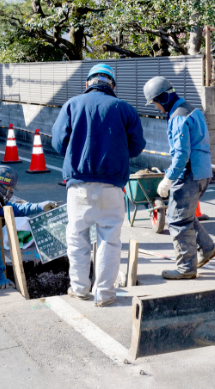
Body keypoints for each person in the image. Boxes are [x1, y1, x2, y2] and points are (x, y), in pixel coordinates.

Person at [52, 63, 145, 306]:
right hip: (112, 186)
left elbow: (58, 143)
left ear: (88, 84)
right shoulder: (124, 108)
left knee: (77, 236)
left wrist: (76, 152)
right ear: (112, 85)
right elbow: (136, 146)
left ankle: (80, 288)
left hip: (78, 185)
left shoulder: (72, 104)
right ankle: (104, 294)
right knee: (109, 239)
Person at [143, 76, 215, 280]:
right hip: (203, 172)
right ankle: (207, 248)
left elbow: (181, 154)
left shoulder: (178, 117)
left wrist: (168, 179)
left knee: (177, 221)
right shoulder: (192, 109)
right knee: (186, 216)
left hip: (189, 174)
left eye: (155, 102)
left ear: (163, 98)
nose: (156, 107)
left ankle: (186, 268)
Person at [0, 165, 57, 290]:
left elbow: (15, 208)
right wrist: (0, 277)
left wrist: (40, 206)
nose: (10, 192)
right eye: (8, 188)